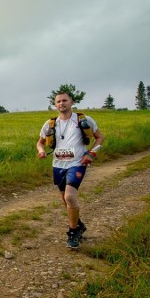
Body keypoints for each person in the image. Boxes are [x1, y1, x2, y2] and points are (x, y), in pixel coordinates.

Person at [36, 92, 105, 249]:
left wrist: (91, 153)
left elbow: (99, 138)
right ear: (55, 105)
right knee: (64, 199)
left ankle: (73, 232)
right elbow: (39, 143)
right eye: (58, 101)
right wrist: (41, 151)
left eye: (64, 100)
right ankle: (79, 224)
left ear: (72, 102)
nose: (61, 103)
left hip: (77, 163)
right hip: (58, 165)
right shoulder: (50, 124)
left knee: (70, 197)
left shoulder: (84, 120)